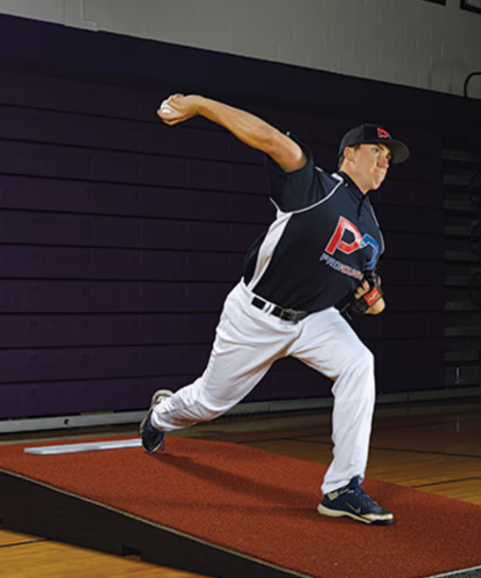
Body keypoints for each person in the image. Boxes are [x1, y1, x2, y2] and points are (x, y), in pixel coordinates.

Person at [139, 94, 409, 525]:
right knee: (209, 403)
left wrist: (372, 302)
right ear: (349, 154)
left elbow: (367, 297)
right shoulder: (313, 185)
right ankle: (159, 416)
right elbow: (266, 136)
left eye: (389, 157)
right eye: (376, 150)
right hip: (256, 317)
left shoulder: (373, 231)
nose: (385, 160)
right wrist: (198, 104)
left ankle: (342, 488)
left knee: (359, 363)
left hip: (314, 318)